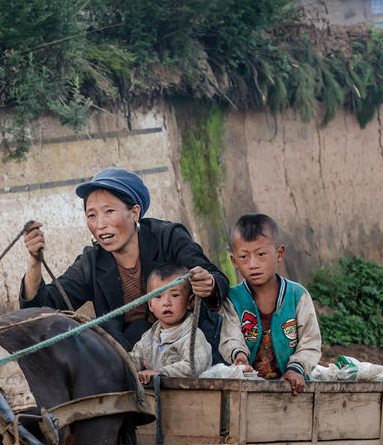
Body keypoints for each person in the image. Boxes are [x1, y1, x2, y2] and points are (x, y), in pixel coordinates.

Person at [19, 167, 230, 351]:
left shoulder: (168, 238)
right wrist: (34, 262)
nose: (100, 224)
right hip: (129, 360)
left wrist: (208, 283)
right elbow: (45, 309)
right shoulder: (92, 262)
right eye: (92, 215)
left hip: (187, 349)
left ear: (135, 212)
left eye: (109, 211)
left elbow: (216, 279)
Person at [218, 213, 321, 395]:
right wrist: (239, 356)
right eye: (244, 257)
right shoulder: (233, 298)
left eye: (261, 254)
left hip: (291, 386)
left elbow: (310, 341)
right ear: (234, 261)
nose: (253, 264)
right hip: (246, 386)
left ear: (279, 254)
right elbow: (230, 335)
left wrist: (297, 368)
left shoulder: (297, 296)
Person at [129, 264, 213, 384]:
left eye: (174, 295)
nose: (166, 303)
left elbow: (194, 366)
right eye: (158, 296)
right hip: (152, 398)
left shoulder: (193, 336)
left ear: (190, 301)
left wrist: (161, 372)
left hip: (188, 399)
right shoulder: (148, 337)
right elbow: (133, 360)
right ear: (150, 305)